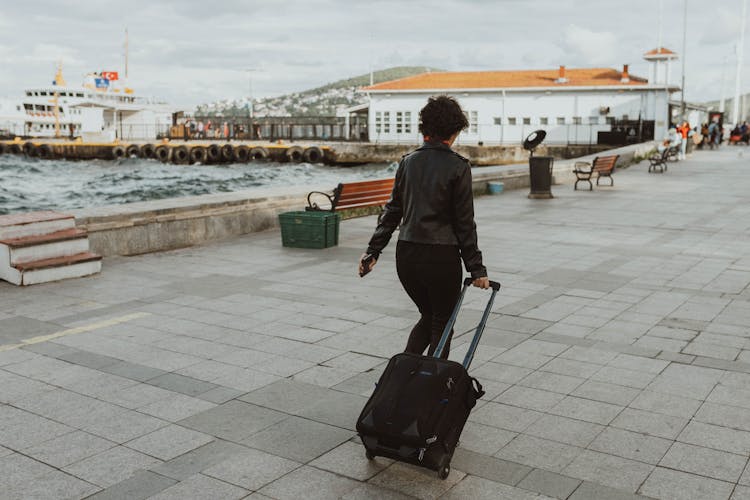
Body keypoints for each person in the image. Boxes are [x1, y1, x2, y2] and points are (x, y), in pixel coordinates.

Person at [359, 95, 490, 359]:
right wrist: (477, 269)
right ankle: (430, 390)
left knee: (429, 315)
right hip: (440, 257)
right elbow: (464, 223)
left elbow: (392, 211)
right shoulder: (458, 166)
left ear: (426, 128)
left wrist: (373, 252)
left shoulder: (408, 162)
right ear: (454, 130)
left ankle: (404, 378)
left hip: (406, 255)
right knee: (443, 323)